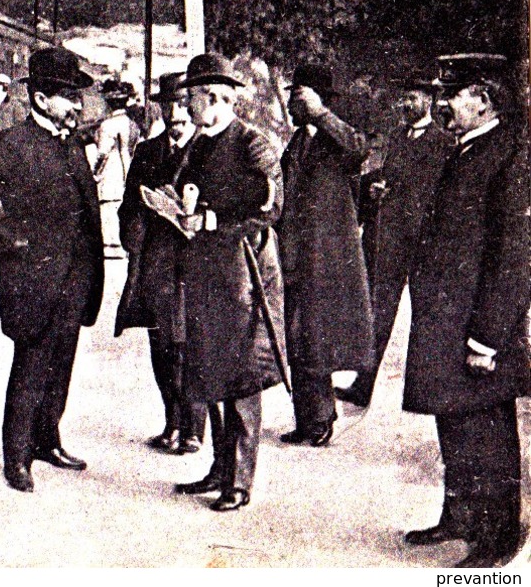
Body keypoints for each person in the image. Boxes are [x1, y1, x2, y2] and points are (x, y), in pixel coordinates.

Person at [0, 46, 104, 493]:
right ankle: (16, 458)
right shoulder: (11, 144)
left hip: (73, 279)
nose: (77, 106)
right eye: (69, 98)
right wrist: (10, 241)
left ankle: (47, 440)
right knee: (31, 368)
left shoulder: (71, 144)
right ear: (41, 100)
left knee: (61, 365)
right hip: (33, 280)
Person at [401, 53, 528, 568]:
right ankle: (459, 516)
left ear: (483, 99)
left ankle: (499, 541)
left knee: (486, 432)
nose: (443, 104)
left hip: (475, 326)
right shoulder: (468, 148)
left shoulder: (509, 154)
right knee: (453, 420)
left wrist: (489, 337)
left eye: (452, 94)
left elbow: (515, 255)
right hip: (446, 319)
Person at [171, 53, 286, 513]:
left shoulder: (253, 142)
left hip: (244, 272)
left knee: (241, 375)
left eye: (191, 99)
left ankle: (239, 481)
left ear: (214, 98)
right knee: (209, 369)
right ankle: (220, 469)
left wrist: (212, 217)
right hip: (205, 271)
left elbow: (269, 203)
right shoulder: (199, 145)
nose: (186, 108)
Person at [337, 74, 454, 408]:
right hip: (389, 239)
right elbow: (390, 176)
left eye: (413, 98)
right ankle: (363, 385)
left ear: (429, 101)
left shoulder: (443, 142)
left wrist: (400, 194)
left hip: (424, 242)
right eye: (404, 99)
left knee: (429, 313)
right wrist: (376, 190)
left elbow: (438, 192)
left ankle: (434, 388)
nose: (406, 104)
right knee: (379, 311)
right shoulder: (397, 136)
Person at [275, 61, 375, 448]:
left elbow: (359, 149)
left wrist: (320, 112)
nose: (290, 104)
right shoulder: (297, 142)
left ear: (314, 99)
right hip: (295, 252)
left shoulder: (335, 140)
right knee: (298, 336)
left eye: (297, 97)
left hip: (325, 257)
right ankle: (310, 417)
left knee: (314, 336)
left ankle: (319, 419)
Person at [114, 71, 206, 455]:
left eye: (183, 104)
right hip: (157, 266)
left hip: (198, 266)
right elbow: (127, 208)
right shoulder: (148, 152)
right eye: (168, 105)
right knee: (162, 346)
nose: (175, 112)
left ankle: (193, 428)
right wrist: (137, 223)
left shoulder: (209, 150)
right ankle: (171, 419)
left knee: (193, 346)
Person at [93, 77, 141, 257]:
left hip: (111, 171)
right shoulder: (132, 124)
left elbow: (102, 153)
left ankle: (111, 246)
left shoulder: (108, 125)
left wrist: (94, 173)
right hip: (129, 167)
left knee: (108, 206)